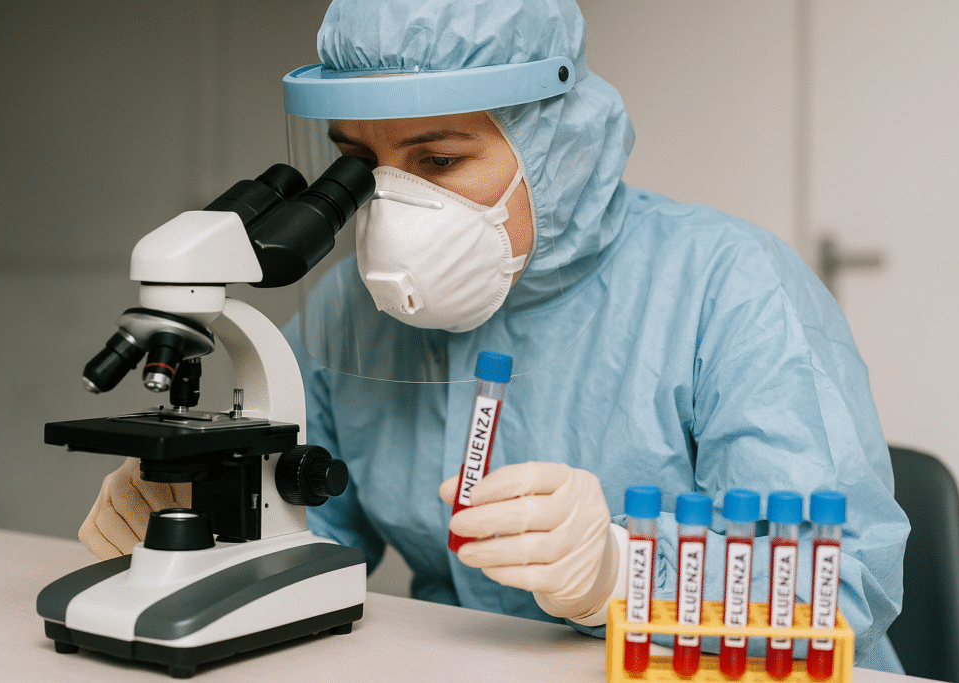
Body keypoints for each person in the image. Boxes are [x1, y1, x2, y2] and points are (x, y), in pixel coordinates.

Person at [79, 0, 909, 671]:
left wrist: (623, 574)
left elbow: (841, 592)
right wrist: (208, 532)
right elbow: (313, 546)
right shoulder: (350, 310)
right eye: (361, 165)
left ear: (553, 144)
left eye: (438, 162)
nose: (395, 209)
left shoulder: (730, 287)